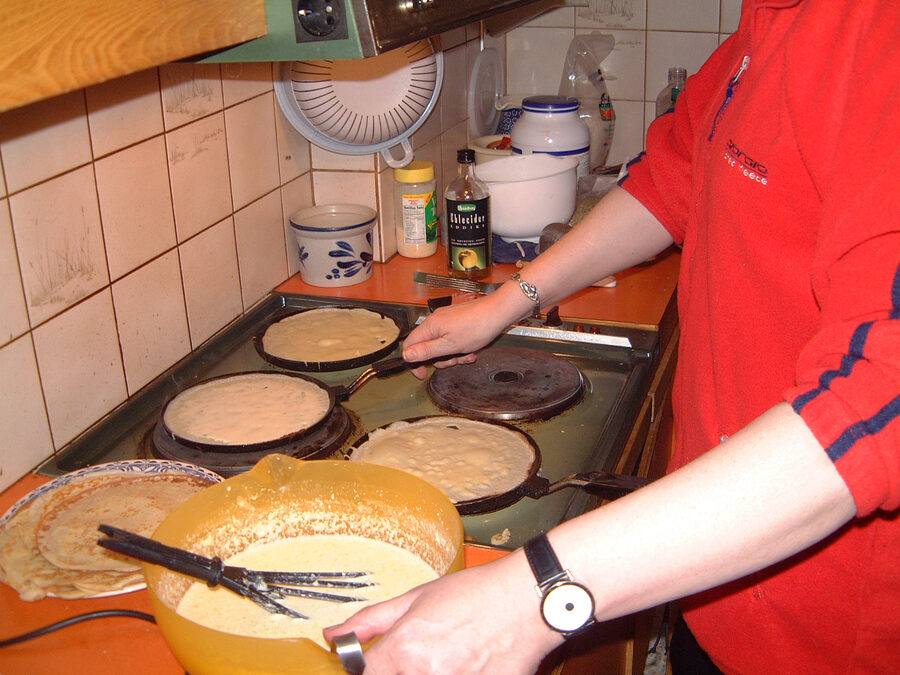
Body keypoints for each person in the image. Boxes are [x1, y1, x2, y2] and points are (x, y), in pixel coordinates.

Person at [324, 0, 900, 672]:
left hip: (826, 624)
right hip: (705, 564)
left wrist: (535, 594)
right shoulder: (767, 25)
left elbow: (880, 399)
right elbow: (669, 184)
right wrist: (505, 304)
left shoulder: (878, 36)